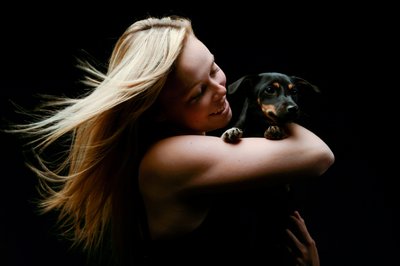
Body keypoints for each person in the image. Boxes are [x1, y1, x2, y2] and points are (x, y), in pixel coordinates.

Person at [8, 15, 334, 265]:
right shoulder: (169, 157)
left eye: (214, 68)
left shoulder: (189, 148)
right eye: (199, 92)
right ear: (159, 113)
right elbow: (318, 155)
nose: (221, 88)